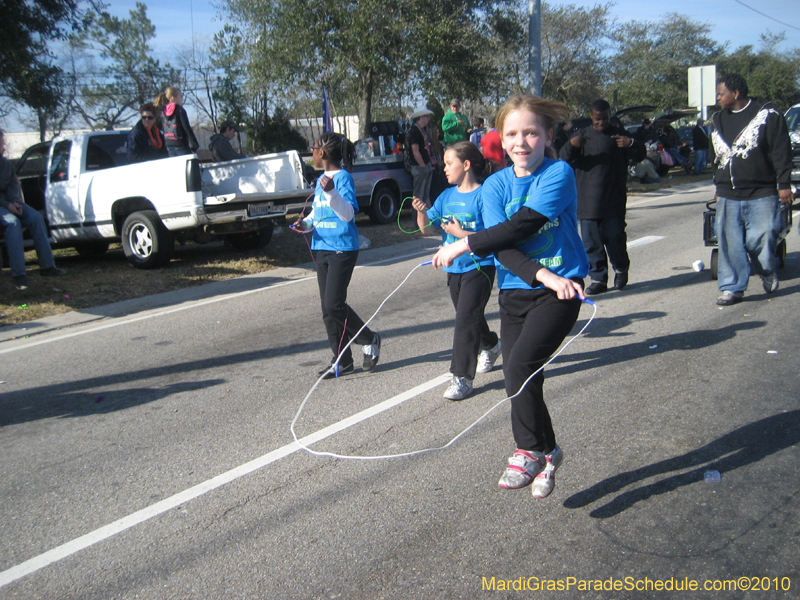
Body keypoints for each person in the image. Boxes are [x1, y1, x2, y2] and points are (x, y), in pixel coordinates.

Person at [431, 94, 589, 500]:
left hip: (561, 292)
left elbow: (523, 225)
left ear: (547, 135)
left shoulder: (559, 174)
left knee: (518, 364)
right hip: (517, 290)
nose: (521, 142)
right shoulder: (495, 186)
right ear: (500, 138)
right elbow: (502, 247)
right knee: (521, 379)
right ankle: (549, 451)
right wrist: (540, 274)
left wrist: (463, 245)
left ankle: (528, 449)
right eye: (512, 134)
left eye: (531, 133)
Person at [411, 141, 501, 400]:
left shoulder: (485, 195)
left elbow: (494, 235)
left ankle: (462, 377)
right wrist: (421, 213)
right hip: (455, 268)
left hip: (480, 266)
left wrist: (461, 234)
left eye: (449, 163)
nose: (445, 169)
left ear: (466, 164)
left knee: (464, 319)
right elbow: (427, 229)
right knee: (469, 315)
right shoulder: (446, 196)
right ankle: (492, 345)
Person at [292, 132, 381, 377]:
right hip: (321, 247)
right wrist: (306, 224)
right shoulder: (322, 179)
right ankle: (342, 360)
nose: (311, 152)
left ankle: (369, 339)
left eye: (313, 147)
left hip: (342, 248)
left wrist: (332, 192)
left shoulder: (342, 178)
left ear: (323, 152)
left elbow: (348, 214)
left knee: (334, 304)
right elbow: (317, 213)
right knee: (327, 308)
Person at [710, 73, 793, 306]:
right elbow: (714, 155)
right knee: (729, 242)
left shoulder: (768, 115)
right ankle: (732, 287)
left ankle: (767, 270)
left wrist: (784, 183)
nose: (718, 98)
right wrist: (718, 183)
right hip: (728, 193)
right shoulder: (718, 119)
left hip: (762, 191)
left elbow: (781, 151)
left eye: (721, 94)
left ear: (735, 94)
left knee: (763, 236)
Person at [560, 99, 645, 295]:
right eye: (598, 119)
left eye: (605, 118)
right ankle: (598, 278)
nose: (601, 123)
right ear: (592, 117)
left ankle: (621, 267)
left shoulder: (619, 135)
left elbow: (640, 154)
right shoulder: (580, 136)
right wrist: (572, 145)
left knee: (615, 237)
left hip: (613, 198)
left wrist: (631, 143)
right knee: (591, 243)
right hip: (587, 200)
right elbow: (561, 158)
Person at [0, 130, 65, 290]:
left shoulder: (5, 164)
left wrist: (15, 202)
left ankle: (47, 266)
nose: (2, 145)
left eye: (2, 142)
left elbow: (13, 185)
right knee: (13, 223)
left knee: (36, 217)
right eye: (0, 142)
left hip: (9, 202)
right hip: (3, 206)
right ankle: (19, 275)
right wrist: (7, 205)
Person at [406, 107, 435, 233]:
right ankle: (417, 224)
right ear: (421, 117)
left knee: (425, 195)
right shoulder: (414, 131)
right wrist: (422, 165)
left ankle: (428, 221)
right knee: (418, 197)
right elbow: (415, 150)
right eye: (427, 117)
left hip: (425, 165)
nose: (428, 119)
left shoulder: (422, 130)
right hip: (419, 167)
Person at [155, 87, 199, 157]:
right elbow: (186, 127)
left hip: (168, 143)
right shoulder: (180, 110)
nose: (182, 98)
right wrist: (194, 142)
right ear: (173, 98)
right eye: (180, 96)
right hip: (180, 143)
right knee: (187, 165)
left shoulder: (164, 112)